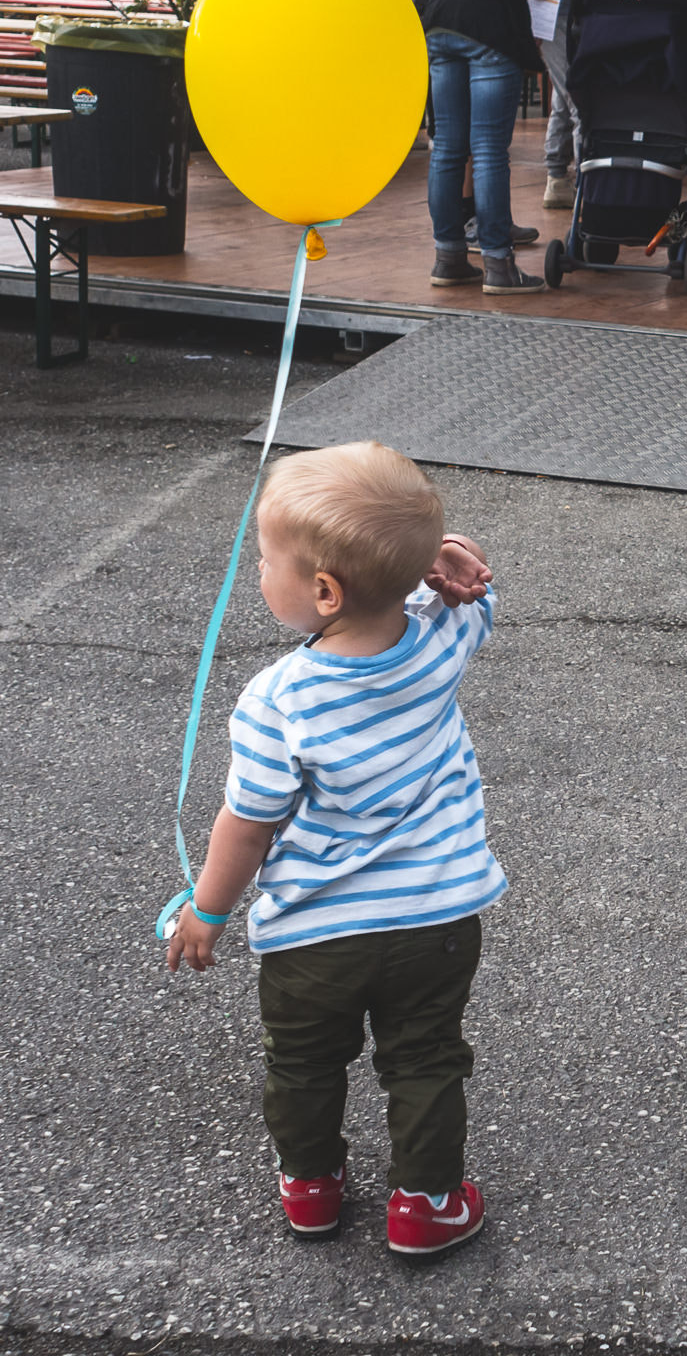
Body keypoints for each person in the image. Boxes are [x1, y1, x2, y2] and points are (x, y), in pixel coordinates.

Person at [163, 443, 503, 1261]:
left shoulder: (279, 701)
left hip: (314, 938)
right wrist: (439, 560)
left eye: (265, 559)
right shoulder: (443, 642)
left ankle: (311, 1187)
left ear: (322, 591)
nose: (256, 572)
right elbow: (477, 590)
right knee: (424, 1059)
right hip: (437, 920)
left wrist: (207, 911)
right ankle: (426, 1206)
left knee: (305, 1064)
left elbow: (247, 824)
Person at [420, 0, 649, 295]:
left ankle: (449, 259)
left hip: (441, 22)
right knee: (490, 151)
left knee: (447, 148)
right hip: (490, 22)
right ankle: (498, 264)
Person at [533, 0, 598, 211]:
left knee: (563, 96)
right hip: (563, 17)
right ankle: (590, 186)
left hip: (552, 17)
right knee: (579, 99)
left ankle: (557, 177)